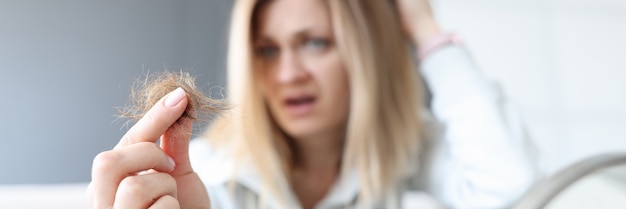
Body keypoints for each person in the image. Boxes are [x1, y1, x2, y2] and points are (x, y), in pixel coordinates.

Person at [87, 0, 537, 208]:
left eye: (316, 43)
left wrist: (427, 31)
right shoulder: (203, 180)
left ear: (365, 52)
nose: (287, 75)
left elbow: (514, 191)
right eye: (267, 50)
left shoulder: (407, 152)